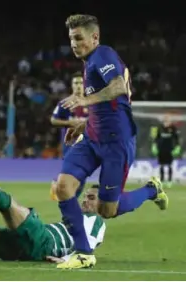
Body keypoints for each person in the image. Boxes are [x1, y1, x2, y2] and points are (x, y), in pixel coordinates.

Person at [54, 14, 169, 269]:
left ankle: (151, 189)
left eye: (78, 38)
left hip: (117, 143)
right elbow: (109, 105)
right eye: (71, 39)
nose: (74, 44)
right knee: (64, 187)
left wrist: (85, 101)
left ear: (94, 37)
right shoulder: (90, 62)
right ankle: (84, 254)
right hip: (93, 136)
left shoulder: (102, 55)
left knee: (107, 210)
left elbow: (117, 87)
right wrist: (84, 123)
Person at [50, 71, 88, 200]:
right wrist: (69, 122)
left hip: (88, 145)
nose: (78, 85)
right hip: (71, 145)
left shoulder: (91, 103)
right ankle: (70, 202)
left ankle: (59, 187)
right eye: (76, 83)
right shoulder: (65, 103)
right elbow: (53, 120)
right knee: (74, 174)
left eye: (81, 83)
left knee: (81, 177)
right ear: (72, 85)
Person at [152, 115, 182, 188]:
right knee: (161, 165)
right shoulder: (160, 128)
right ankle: (162, 180)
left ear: (170, 121)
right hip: (161, 149)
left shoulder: (173, 128)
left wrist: (177, 147)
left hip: (170, 149)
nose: (166, 122)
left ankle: (169, 181)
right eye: (165, 120)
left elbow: (176, 138)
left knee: (169, 165)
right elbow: (156, 138)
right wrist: (154, 145)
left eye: (168, 121)